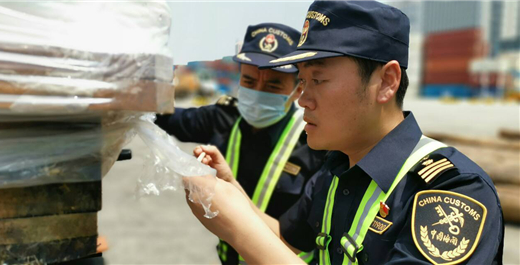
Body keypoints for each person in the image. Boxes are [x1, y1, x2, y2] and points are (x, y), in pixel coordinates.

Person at [185, 1, 504, 264]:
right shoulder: (336, 170)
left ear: (387, 82)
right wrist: (234, 196)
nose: (302, 99)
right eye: (302, 82)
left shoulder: (453, 190)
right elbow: (287, 240)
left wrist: (237, 229)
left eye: (319, 81)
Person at [155, 23, 327, 264]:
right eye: (248, 80)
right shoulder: (224, 117)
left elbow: (303, 236)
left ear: (298, 88)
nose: (258, 91)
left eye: (273, 85)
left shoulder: (316, 141)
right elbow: (166, 117)